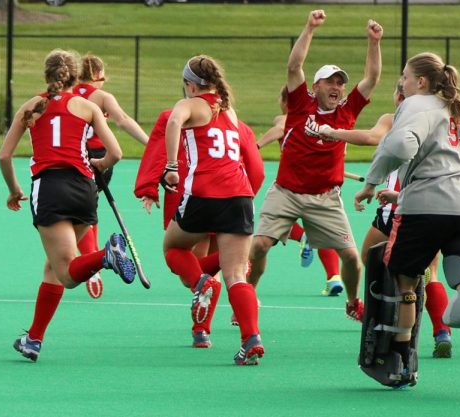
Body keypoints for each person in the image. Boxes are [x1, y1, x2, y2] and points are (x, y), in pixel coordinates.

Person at [355, 52, 460, 386]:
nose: (401, 82)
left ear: (421, 81)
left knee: (404, 280)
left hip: (427, 211)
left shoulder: (417, 103)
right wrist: (401, 195)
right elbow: (445, 170)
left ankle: (401, 363)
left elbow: (400, 146)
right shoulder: (455, 109)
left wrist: (372, 183)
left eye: (404, 76)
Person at [0, 49, 136, 362]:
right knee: (55, 266)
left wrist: (14, 190)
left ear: (46, 75)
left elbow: (4, 155)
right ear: (75, 76)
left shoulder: (33, 105)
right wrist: (98, 165)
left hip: (50, 188)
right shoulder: (88, 106)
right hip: (85, 189)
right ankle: (33, 339)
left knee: (68, 275)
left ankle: (105, 256)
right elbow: (115, 153)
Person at [248, 10, 382, 322]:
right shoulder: (300, 104)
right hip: (286, 192)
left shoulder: (346, 112)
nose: (338, 87)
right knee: (259, 246)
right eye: (331, 82)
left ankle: (352, 302)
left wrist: (374, 42)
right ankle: (248, 296)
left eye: (341, 83)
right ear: (316, 85)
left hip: (325, 197)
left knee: (351, 257)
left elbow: (372, 78)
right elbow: (294, 65)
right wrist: (309, 28)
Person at [321, 87, 452, 359]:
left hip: (397, 207)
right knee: (431, 273)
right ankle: (442, 331)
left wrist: (332, 132)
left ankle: (382, 321)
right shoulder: (442, 119)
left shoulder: (395, 119)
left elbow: (371, 137)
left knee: (373, 262)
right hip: (434, 205)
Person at [161, 55, 263, 365]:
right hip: (240, 196)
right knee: (236, 274)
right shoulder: (229, 111)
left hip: (204, 194)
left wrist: (171, 166)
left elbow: (173, 121)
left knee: (172, 248)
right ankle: (251, 339)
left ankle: (200, 281)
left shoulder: (191, 105)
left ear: (190, 85)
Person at [135, 108, 262, 348]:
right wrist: (246, 198)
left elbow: (156, 148)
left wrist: (148, 186)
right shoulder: (239, 124)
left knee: (191, 271)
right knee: (228, 269)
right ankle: (221, 332)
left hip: (193, 195)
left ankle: (201, 328)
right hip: (235, 197)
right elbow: (257, 169)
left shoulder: (175, 114)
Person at [73, 53, 149, 299]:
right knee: (89, 209)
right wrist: (151, 145)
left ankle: (91, 259)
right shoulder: (102, 97)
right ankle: (93, 260)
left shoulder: (68, 94)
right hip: (100, 157)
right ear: (98, 75)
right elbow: (123, 121)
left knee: (81, 213)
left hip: (73, 156)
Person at [256, 86, 344, 297]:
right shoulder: (317, 119)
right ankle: (334, 277)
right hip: (321, 185)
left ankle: (303, 236)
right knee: (322, 232)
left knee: (272, 222)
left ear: (286, 101)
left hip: (292, 185)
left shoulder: (287, 117)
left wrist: (255, 146)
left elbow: (280, 128)